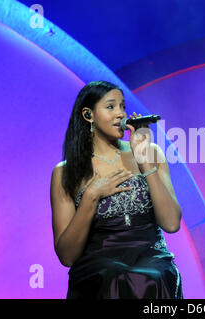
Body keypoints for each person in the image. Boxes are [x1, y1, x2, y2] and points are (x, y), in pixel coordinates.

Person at [50, 80, 183, 299]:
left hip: (151, 256)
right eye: (111, 107)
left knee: (154, 277)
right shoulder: (65, 172)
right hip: (99, 262)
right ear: (88, 115)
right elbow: (67, 255)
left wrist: (145, 164)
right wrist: (91, 195)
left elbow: (171, 223)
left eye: (122, 106)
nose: (120, 114)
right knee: (115, 277)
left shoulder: (152, 153)